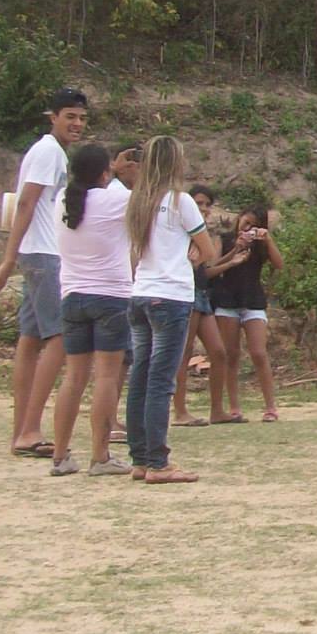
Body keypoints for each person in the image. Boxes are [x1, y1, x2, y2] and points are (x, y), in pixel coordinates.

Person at [0, 87, 87, 459]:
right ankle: (29, 430)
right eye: (69, 116)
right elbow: (25, 203)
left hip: (38, 253)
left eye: (81, 118)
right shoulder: (48, 151)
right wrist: (8, 259)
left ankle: (21, 431)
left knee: (30, 340)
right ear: (53, 117)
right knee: (59, 338)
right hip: (42, 254)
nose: (76, 123)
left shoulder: (53, 152)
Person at [124, 136, 218, 483]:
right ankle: (158, 462)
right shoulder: (180, 201)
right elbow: (208, 251)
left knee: (140, 377)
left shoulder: (139, 201)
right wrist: (191, 254)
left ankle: (140, 456)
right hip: (171, 295)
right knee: (162, 380)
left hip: (141, 293)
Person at [49, 142, 136, 477]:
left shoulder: (63, 199)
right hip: (110, 296)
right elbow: (147, 198)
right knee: (107, 376)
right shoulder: (114, 199)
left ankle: (60, 455)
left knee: (74, 377)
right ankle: (100, 455)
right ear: (104, 171)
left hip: (73, 295)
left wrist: (110, 170)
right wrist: (119, 172)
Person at [206, 203, 282, 421]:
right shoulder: (224, 239)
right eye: (245, 222)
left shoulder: (260, 245)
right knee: (231, 354)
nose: (246, 228)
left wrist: (267, 240)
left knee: (259, 353)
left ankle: (270, 407)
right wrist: (234, 251)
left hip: (253, 301)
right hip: (227, 301)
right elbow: (211, 267)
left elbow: (279, 264)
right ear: (239, 218)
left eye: (253, 226)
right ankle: (234, 407)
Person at [171, 183, 226, 429]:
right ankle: (180, 410)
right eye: (199, 203)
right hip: (188, 291)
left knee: (218, 351)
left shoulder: (201, 231)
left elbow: (208, 263)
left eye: (207, 204)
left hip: (201, 292)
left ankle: (217, 410)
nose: (203, 208)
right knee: (184, 353)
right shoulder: (183, 231)